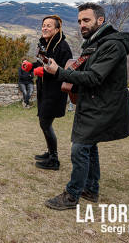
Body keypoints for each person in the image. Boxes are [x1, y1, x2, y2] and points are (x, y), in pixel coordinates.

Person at [43, 2, 129, 210]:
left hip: (103, 106)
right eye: (79, 21)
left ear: (100, 20)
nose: (82, 25)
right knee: (89, 147)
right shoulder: (96, 42)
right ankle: (90, 189)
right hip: (92, 104)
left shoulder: (112, 45)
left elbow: (94, 77)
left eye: (86, 20)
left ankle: (72, 195)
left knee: (80, 148)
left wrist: (59, 72)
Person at [29, 15, 72, 171]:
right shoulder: (46, 45)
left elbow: (66, 71)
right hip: (45, 91)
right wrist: (31, 65)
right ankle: (50, 153)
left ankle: (54, 159)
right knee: (44, 123)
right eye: (43, 25)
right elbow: (42, 63)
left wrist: (44, 73)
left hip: (55, 93)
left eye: (48, 26)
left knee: (45, 123)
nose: (44, 28)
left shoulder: (63, 47)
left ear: (57, 29)